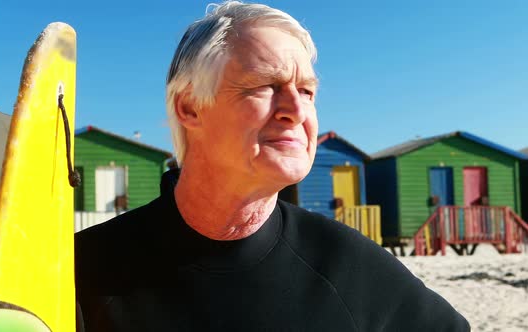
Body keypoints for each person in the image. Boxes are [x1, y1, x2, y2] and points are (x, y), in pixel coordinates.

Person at [74, 1, 470, 331]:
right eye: (266, 85)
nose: (297, 110)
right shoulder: (84, 270)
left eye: (307, 91)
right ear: (190, 106)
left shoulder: (349, 266)